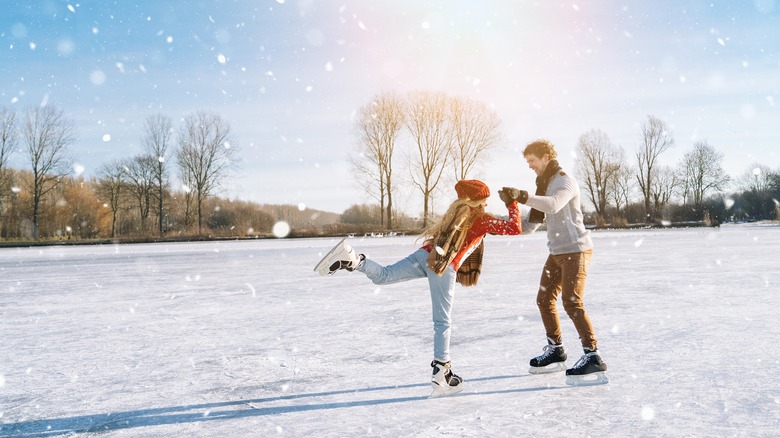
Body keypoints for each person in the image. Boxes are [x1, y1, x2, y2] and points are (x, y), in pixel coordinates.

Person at [315, 180, 522, 396]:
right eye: (485, 200)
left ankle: (353, 259)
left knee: (384, 275)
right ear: (475, 200)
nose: (487, 204)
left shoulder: (457, 212)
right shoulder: (480, 218)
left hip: (426, 255)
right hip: (443, 265)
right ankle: (442, 372)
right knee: (442, 321)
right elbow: (515, 228)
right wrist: (512, 203)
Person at [499, 139, 609, 386]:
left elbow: (554, 204)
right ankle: (556, 350)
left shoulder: (564, 181)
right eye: (528, 162)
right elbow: (530, 226)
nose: (530, 166)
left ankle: (593, 356)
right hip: (557, 252)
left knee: (572, 302)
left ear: (546, 157)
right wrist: (500, 220)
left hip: (576, 250)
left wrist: (522, 196)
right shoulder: (543, 184)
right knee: (544, 299)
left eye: (532, 161)